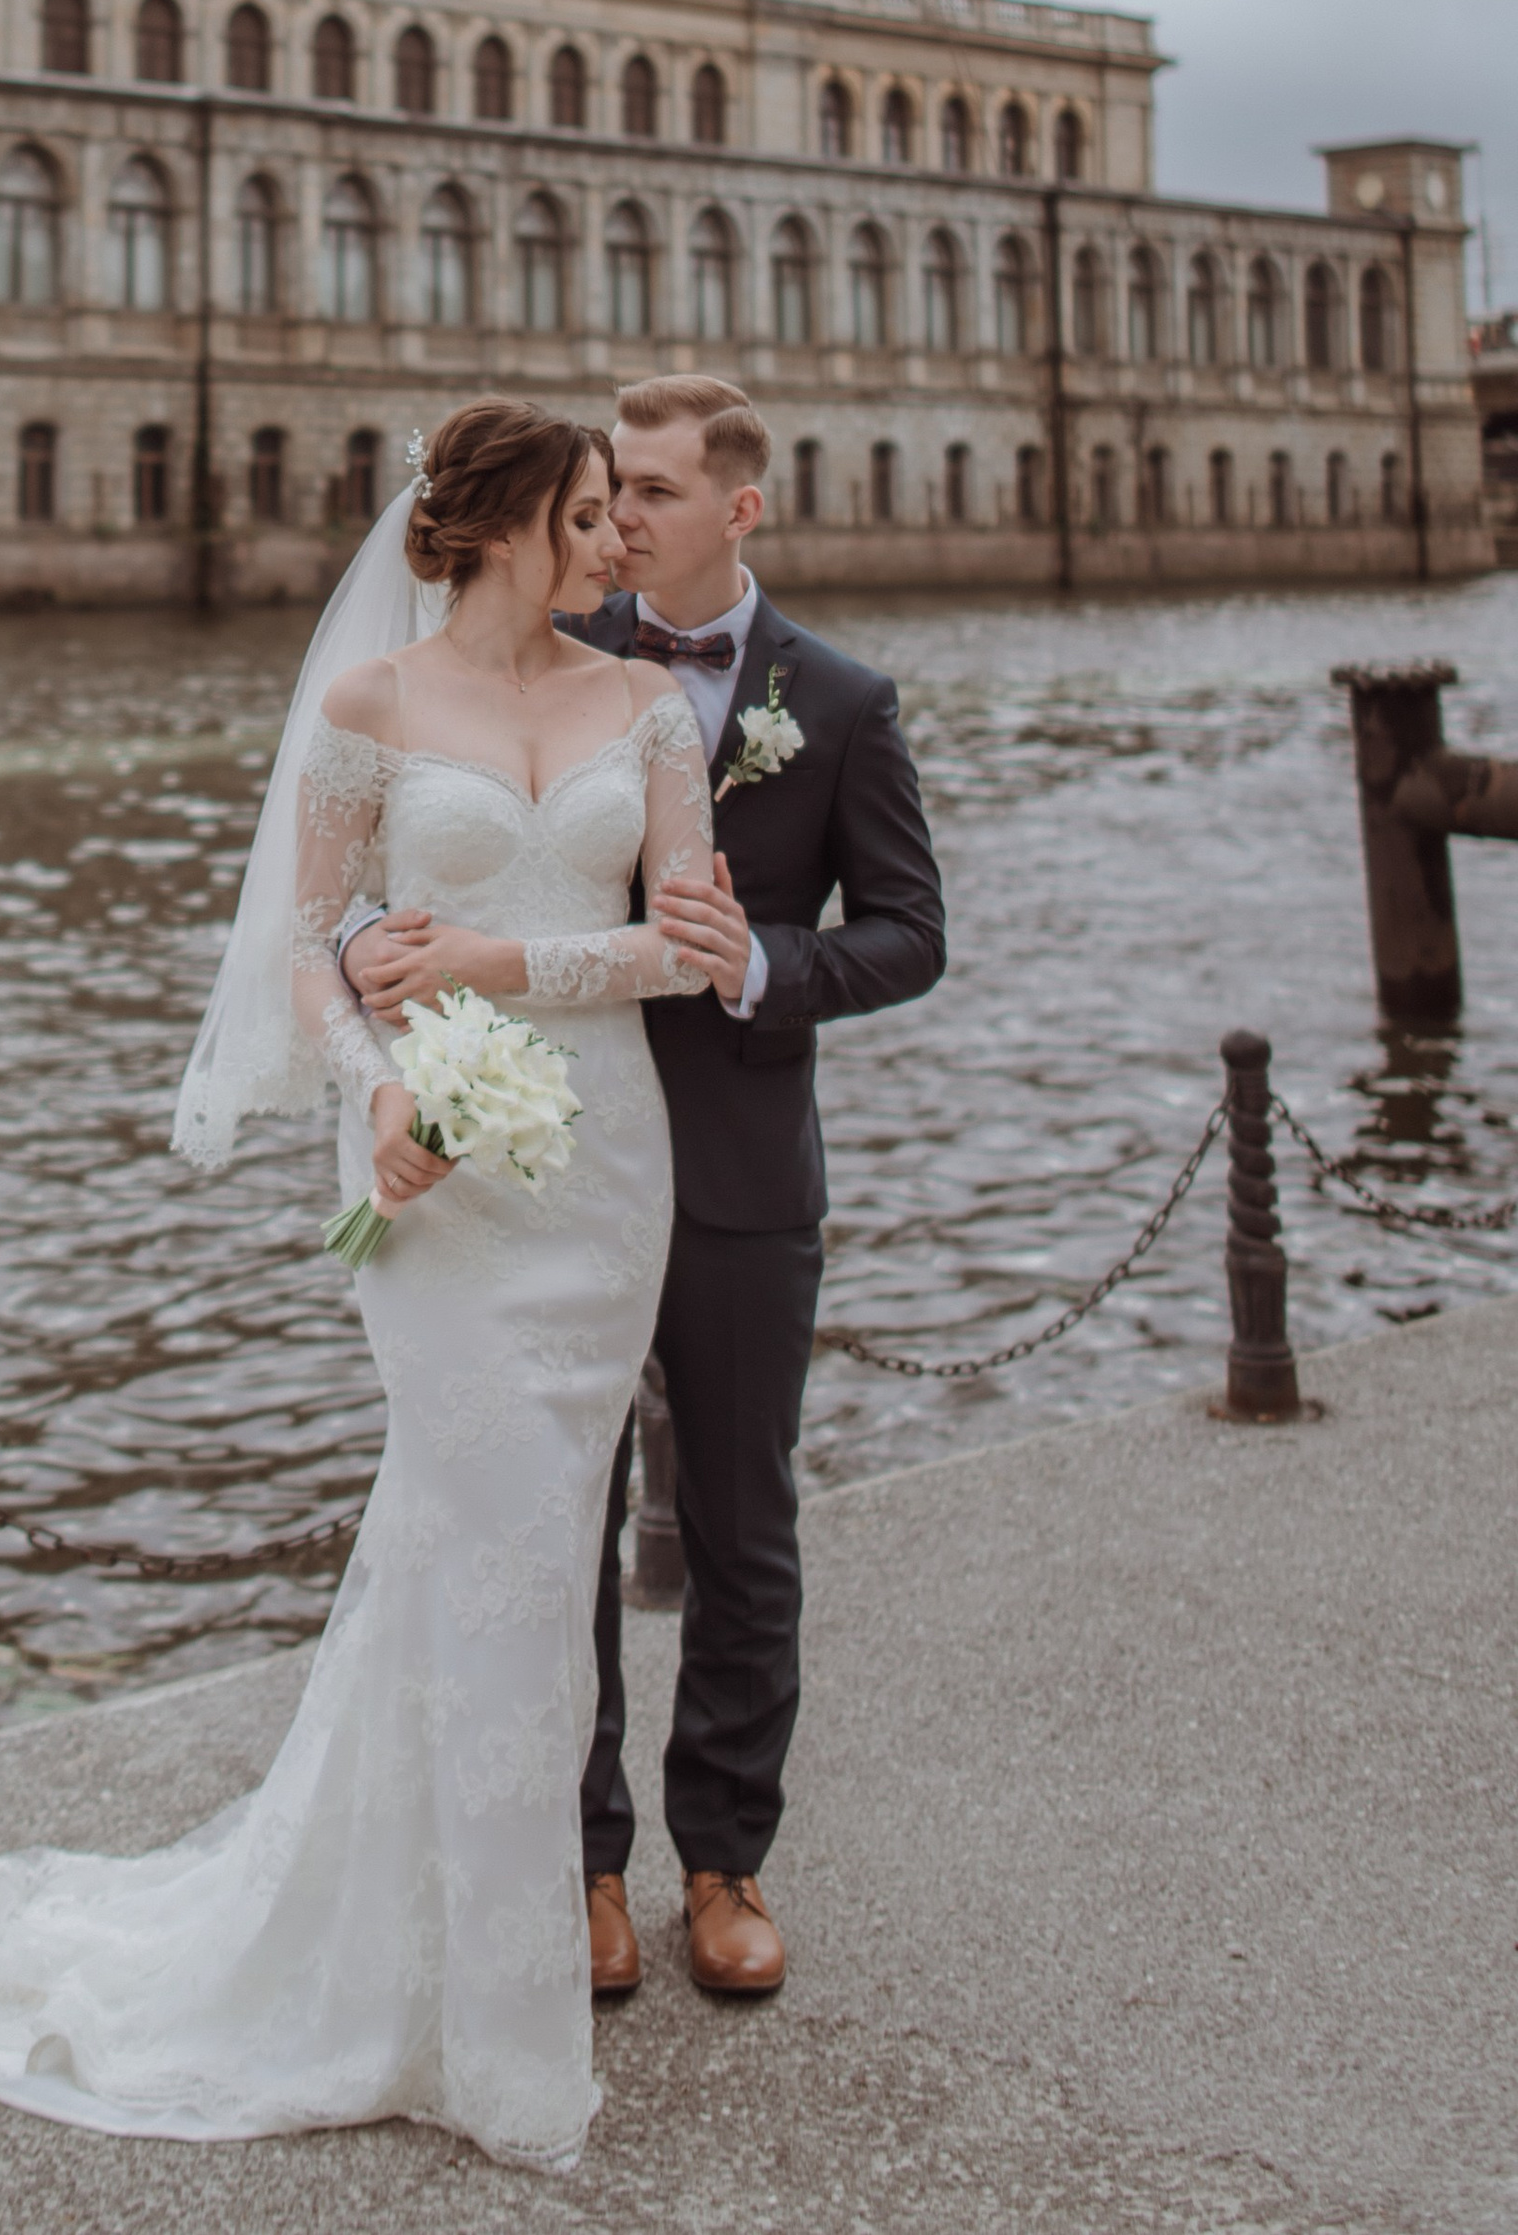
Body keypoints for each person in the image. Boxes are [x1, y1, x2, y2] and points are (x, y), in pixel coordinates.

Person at [0, 401, 738, 2170]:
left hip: (599, 1174)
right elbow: (307, 951)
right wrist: (381, 1093)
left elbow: (688, 944)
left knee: (511, 1563)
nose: (614, 543)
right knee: (488, 1548)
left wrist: (497, 958)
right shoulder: (368, 707)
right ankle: (495, 2026)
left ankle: (444, 1964)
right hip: (427, 1174)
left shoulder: (648, 705)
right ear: (500, 528)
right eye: (584, 517)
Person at [356, 374, 944, 2003]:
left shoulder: (840, 700)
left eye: (655, 495)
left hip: (739, 1167)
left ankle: (727, 1861)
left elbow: (911, 933)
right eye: (607, 494)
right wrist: (383, 996)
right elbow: (408, 859)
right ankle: (589, 1860)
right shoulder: (549, 648)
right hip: (549, 1157)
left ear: (738, 510)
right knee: (562, 1524)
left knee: (744, 1524)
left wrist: (761, 966)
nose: (621, 520)